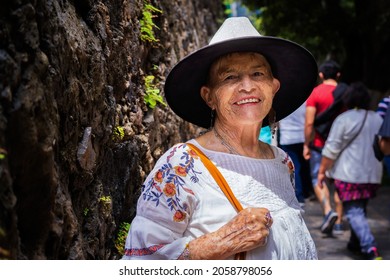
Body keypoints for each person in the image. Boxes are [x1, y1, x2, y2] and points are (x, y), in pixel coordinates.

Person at [122, 17, 318, 260]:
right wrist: (220, 242)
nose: (247, 86)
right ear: (209, 97)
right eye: (230, 77)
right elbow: (139, 262)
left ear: (273, 86)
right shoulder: (181, 166)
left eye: (258, 73)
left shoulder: (283, 162)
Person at [317, 82, 383, 260]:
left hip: (349, 173)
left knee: (353, 211)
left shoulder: (345, 119)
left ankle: (370, 248)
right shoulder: (378, 119)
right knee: (360, 208)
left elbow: (331, 149)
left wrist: (322, 171)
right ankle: (355, 243)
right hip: (371, 173)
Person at [303, 60, 344, 235]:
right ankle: (339, 223)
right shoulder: (346, 93)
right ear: (338, 75)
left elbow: (309, 123)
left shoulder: (315, 93)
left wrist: (306, 144)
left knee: (317, 179)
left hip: (319, 144)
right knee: (339, 182)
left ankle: (328, 211)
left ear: (321, 75)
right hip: (341, 146)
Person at [279, 102, 313, 207]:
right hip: (303, 137)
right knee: (304, 166)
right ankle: (306, 192)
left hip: (287, 137)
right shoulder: (305, 102)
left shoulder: (282, 102)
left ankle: (299, 196)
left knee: (294, 168)